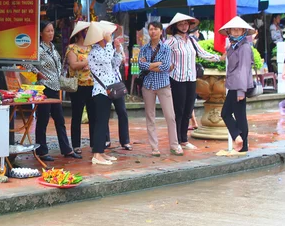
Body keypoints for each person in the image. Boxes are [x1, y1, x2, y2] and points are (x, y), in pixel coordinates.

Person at [165, 13, 223, 150]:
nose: (184, 26)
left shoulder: (191, 40)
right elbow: (162, 52)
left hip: (191, 79)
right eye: (180, 24)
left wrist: (219, 58)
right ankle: (176, 140)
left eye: (186, 24)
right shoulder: (172, 41)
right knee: (178, 110)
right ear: (175, 26)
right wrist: (167, 65)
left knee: (188, 109)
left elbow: (203, 54)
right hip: (177, 79)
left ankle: (184, 140)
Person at [25, 21, 80, 161]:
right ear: (41, 33)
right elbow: (25, 61)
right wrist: (37, 72)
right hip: (44, 88)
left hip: (55, 87)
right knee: (43, 120)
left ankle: (66, 149)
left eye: (52, 30)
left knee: (60, 119)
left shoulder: (53, 48)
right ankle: (41, 151)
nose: (51, 33)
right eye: (47, 31)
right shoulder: (38, 49)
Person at [87, 22, 130, 165]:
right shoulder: (95, 52)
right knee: (101, 122)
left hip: (110, 88)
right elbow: (105, 60)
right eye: (107, 34)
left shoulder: (105, 49)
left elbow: (115, 64)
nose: (110, 36)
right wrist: (111, 44)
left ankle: (100, 153)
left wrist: (117, 49)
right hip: (101, 91)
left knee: (104, 121)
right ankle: (96, 154)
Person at [139, 22, 184, 157]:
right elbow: (141, 65)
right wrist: (155, 64)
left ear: (160, 32)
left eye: (155, 29)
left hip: (163, 85)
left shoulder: (165, 48)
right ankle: (154, 147)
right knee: (150, 116)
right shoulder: (144, 48)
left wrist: (149, 65)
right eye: (150, 29)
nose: (153, 32)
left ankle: (174, 145)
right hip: (148, 85)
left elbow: (165, 67)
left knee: (170, 116)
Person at [220, 17, 256, 152]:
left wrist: (241, 91)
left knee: (234, 114)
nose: (235, 32)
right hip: (233, 85)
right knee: (230, 114)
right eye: (233, 29)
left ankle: (240, 140)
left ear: (243, 31)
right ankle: (241, 142)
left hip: (239, 86)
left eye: (238, 29)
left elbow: (244, 69)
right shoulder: (234, 46)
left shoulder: (245, 47)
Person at [66, 21, 94, 155]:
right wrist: (86, 62)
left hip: (92, 84)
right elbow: (73, 64)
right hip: (77, 85)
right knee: (76, 115)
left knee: (93, 115)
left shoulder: (92, 47)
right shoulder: (72, 48)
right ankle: (76, 144)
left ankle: (95, 142)